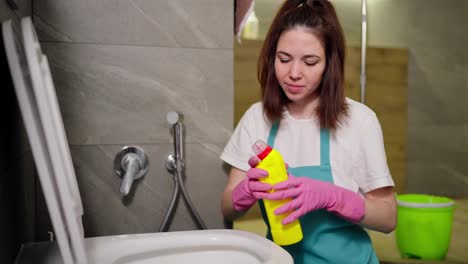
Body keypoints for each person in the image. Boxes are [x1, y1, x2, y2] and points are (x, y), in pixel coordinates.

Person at [221, 0, 397, 263]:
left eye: (310, 62)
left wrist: (334, 197)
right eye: (284, 59)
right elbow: (227, 208)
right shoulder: (256, 118)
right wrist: (244, 192)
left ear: (329, 63)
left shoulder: (360, 121)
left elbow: (387, 217)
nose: (294, 73)